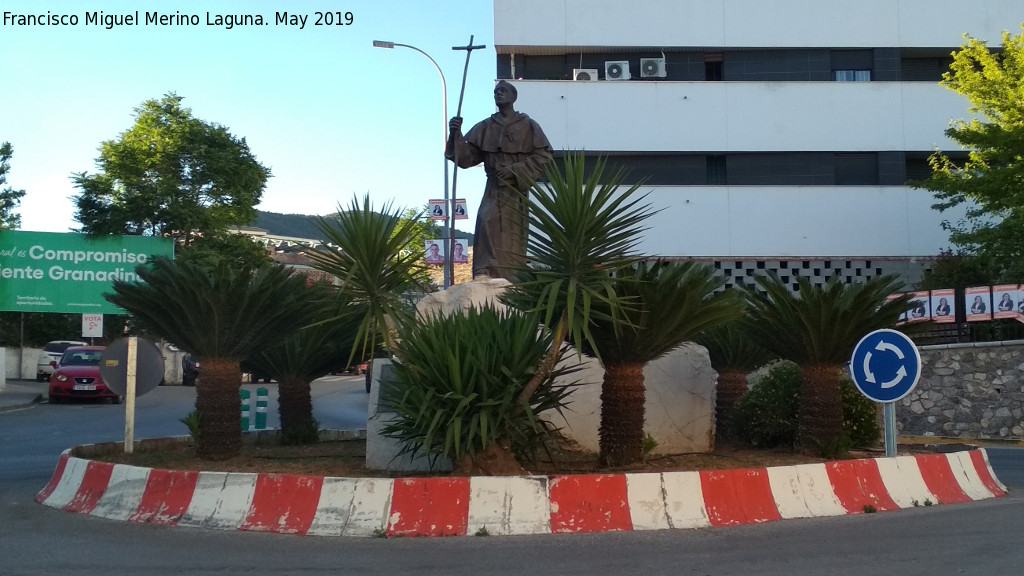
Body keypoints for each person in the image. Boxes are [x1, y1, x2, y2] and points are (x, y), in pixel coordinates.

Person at [446, 80, 553, 281]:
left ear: (514, 96)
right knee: (486, 220)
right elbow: (467, 158)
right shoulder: (486, 126)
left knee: (512, 230)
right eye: (496, 91)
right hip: (493, 187)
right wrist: (456, 135)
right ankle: (484, 269)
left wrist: (515, 170)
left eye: (503, 91)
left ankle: (511, 274)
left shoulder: (528, 125)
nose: (498, 94)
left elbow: (543, 156)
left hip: (515, 189)